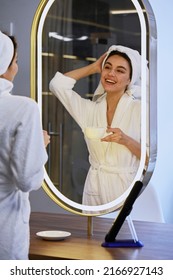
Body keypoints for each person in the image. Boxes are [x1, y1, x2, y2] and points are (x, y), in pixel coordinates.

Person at [49, 45, 146, 207]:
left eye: (120, 70)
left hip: (126, 187)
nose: (111, 74)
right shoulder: (90, 110)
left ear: (130, 79)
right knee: (92, 232)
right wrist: (94, 67)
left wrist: (126, 140)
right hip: (94, 187)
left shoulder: (140, 110)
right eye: (107, 67)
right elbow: (57, 85)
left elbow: (150, 159)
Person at [0, 31, 49, 259]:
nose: (16, 68)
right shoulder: (24, 109)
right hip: (5, 231)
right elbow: (27, 180)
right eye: (16, 61)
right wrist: (40, 145)